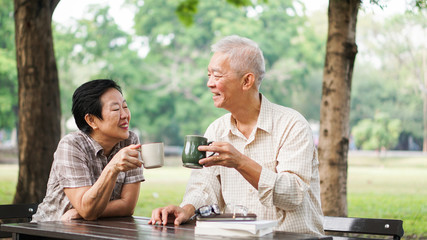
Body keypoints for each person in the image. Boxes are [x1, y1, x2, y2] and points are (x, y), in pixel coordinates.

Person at [149, 35, 324, 235]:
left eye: (217, 75)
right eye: (208, 75)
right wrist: (185, 209)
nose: (209, 83)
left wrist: (240, 162)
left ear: (247, 81)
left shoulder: (292, 125)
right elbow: (205, 188)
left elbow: (292, 194)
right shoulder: (216, 130)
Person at [32, 79, 144, 222]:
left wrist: (78, 214)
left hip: (95, 231)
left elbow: (127, 206)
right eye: (116, 109)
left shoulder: (130, 141)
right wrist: (112, 168)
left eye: (125, 106)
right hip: (49, 231)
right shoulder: (71, 145)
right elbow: (88, 210)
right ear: (91, 120)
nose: (125, 115)